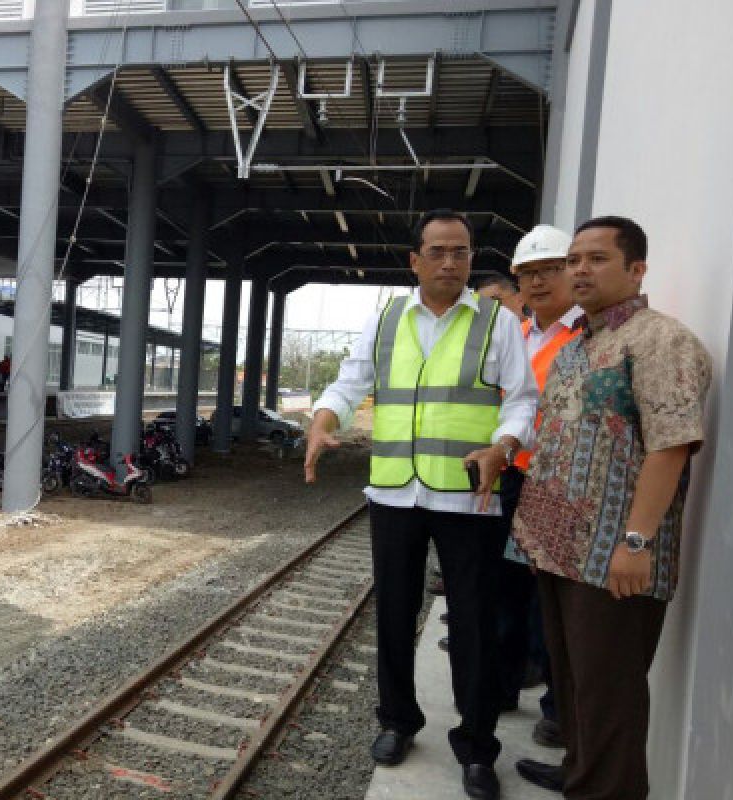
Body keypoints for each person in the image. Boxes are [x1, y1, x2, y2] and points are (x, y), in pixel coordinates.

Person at [305, 209, 537, 800]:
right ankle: (398, 722)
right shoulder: (385, 318)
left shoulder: (496, 322)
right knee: (393, 614)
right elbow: (351, 380)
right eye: (437, 251)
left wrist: (504, 446)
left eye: (460, 252)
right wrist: (324, 419)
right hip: (393, 494)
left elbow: (524, 402)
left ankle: (478, 749)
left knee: (475, 626)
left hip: (467, 497)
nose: (450, 262)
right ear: (415, 260)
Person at [511, 217, 711, 799]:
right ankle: (579, 779)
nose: (578, 269)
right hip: (559, 555)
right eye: (574, 259)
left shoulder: (659, 340)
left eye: (596, 259)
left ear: (636, 270)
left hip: (613, 564)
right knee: (574, 691)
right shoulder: (582, 344)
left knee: (610, 702)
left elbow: (670, 445)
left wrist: (637, 542)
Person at [495, 225, 581, 748]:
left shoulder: (587, 335)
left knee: (551, 600)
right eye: (528, 273)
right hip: (513, 478)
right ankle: (504, 686)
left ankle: (554, 706)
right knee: (506, 590)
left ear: (571, 271)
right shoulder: (516, 336)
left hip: (560, 483)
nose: (538, 281)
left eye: (550, 269)